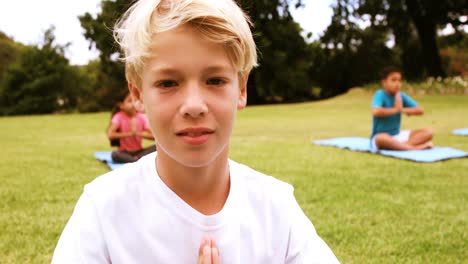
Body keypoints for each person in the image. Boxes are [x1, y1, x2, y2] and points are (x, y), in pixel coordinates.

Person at [52, 0, 339, 263]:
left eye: (214, 80)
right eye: (168, 83)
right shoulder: (104, 211)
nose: (193, 106)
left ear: (241, 88)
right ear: (137, 92)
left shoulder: (274, 209)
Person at [371, 66, 433, 151]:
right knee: (380, 139)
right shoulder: (380, 94)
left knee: (428, 132)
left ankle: (401, 146)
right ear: (384, 82)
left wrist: (402, 110)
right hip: (382, 136)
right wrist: (395, 110)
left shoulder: (400, 96)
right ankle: (415, 147)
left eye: (399, 80)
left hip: (398, 135)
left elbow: (420, 110)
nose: (397, 83)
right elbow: (376, 111)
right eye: (393, 80)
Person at [107, 91, 155, 163]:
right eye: (130, 101)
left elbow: (154, 137)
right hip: (124, 152)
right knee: (114, 154)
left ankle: (135, 159)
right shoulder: (118, 117)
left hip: (139, 152)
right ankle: (136, 160)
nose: (133, 104)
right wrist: (130, 133)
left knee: (158, 147)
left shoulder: (141, 117)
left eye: (135, 100)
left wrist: (137, 133)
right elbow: (110, 135)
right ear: (121, 105)